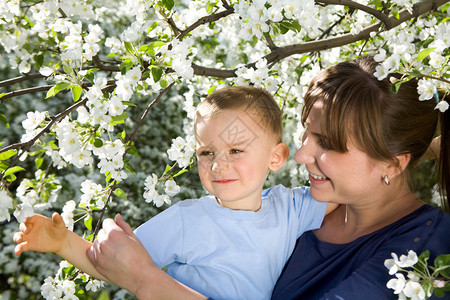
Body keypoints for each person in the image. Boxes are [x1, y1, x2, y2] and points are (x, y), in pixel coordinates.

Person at [78, 57, 450, 300]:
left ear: (393, 163)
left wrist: (147, 281)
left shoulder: (425, 253)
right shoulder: (299, 209)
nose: (302, 154)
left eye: (328, 144)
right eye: (307, 133)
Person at [14, 86, 338, 300]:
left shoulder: (290, 207)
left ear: (276, 157)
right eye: (206, 152)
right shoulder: (188, 219)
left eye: (236, 150)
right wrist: (63, 243)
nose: (218, 165)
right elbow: (115, 262)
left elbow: (349, 190)